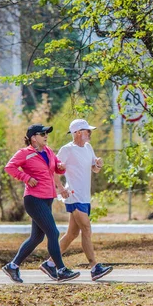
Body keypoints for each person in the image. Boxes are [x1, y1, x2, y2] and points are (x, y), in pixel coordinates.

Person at [2, 123, 80, 283]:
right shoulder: (25, 153)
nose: (46, 136)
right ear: (33, 138)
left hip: (47, 198)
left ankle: (13, 266)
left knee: (37, 237)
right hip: (33, 199)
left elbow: (57, 169)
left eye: (46, 133)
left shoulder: (49, 151)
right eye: (42, 133)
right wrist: (26, 178)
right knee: (53, 232)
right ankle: (61, 269)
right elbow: (9, 167)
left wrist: (60, 167)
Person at [42, 118, 113, 281]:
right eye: (88, 131)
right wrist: (60, 189)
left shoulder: (88, 147)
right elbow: (52, 171)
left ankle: (50, 263)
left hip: (85, 197)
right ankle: (94, 267)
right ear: (78, 133)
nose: (90, 133)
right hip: (74, 195)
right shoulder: (67, 150)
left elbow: (94, 169)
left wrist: (99, 164)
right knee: (86, 229)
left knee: (72, 234)